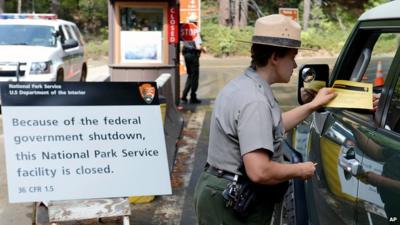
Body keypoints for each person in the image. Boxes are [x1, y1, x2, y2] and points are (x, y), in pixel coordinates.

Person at [193, 14, 337, 225]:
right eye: (292, 56)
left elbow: (270, 127)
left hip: (222, 190)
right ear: (275, 57)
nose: (295, 65)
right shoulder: (255, 101)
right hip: (233, 200)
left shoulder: (244, 85)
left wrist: (311, 106)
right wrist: (300, 169)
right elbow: (259, 171)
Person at [181, 15, 206, 104]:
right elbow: (198, 46)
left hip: (186, 54)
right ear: (195, 22)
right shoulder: (195, 30)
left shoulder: (183, 29)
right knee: (194, 76)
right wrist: (203, 49)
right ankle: (193, 97)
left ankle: (184, 96)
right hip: (193, 55)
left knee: (190, 75)